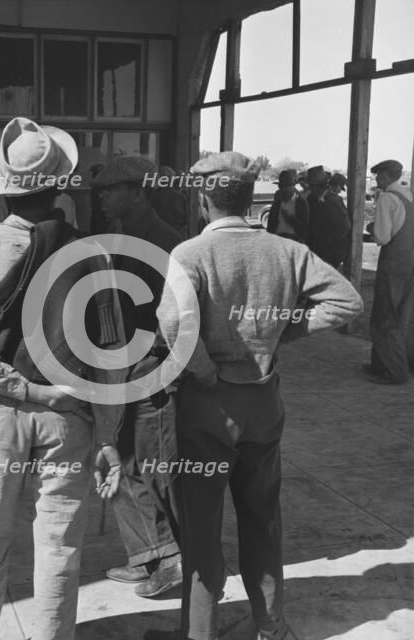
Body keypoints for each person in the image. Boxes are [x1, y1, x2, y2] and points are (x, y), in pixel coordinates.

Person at [145, 151, 363, 640]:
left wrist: (202, 372)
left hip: (208, 406)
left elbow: (173, 322)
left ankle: (199, 632)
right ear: (250, 198)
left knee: (201, 527)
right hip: (264, 403)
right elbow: (348, 301)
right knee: (263, 520)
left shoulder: (190, 254)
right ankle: (270, 628)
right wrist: (288, 328)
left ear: (203, 199)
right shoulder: (286, 251)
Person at [0, 116, 123, 640]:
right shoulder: (96, 254)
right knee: (60, 545)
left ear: (2, 191)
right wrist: (109, 436)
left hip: (3, 414)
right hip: (71, 415)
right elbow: (111, 356)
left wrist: (23, 388)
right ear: (60, 185)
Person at [92, 156, 183, 598]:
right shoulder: (119, 240)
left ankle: (176, 560)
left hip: (153, 372)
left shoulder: (167, 244)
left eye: (113, 189)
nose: (104, 197)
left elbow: (179, 318)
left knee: (157, 468)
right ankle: (147, 556)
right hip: (120, 369)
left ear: (139, 193)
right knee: (123, 461)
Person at [365, 159, 414, 385]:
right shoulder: (409, 197)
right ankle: (381, 365)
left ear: (385, 176)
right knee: (400, 315)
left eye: (378, 175)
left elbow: (382, 237)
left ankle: (395, 372)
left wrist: (372, 228)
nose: (376, 179)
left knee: (385, 317)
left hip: (392, 263)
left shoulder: (387, 198)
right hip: (409, 264)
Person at [305, 165, 351, 268]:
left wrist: (329, 249)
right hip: (315, 252)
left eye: (311, 186)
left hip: (329, 254)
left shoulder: (334, 201)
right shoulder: (311, 199)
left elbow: (344, 227)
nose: (309, 189)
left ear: (318, 186)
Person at [266, 169, 309, 242]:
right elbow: (270, 225)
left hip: (294, 240)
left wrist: (289, 218)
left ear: (293, 187)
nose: (285, 189)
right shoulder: (277, 203)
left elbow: (304, 228)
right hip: (278, 239)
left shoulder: (301, 203)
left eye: (288, 186)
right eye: (283, 186)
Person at [151, 165, 188, 238]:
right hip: (176, 235)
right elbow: (186, 220)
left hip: (157, 235)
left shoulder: (152, 195)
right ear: (172, 179)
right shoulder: (180, 197)